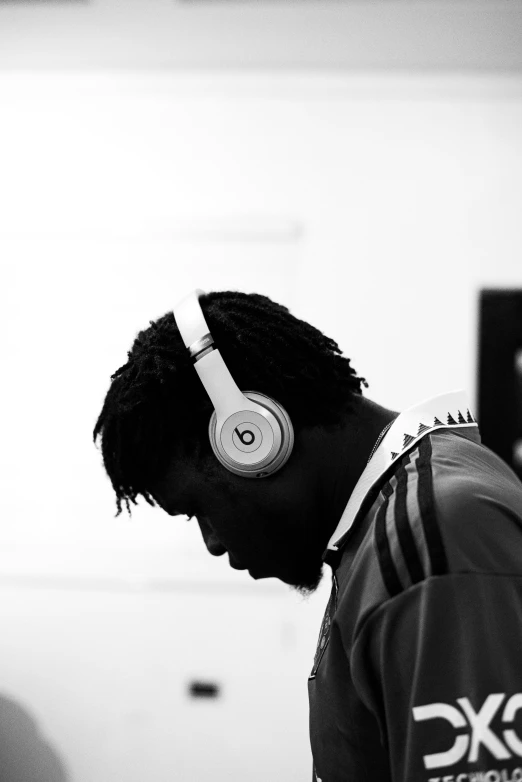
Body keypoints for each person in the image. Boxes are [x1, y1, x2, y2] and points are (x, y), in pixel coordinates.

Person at [93, 289, 522, 782]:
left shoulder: (436, 526)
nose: (212, 542)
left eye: (198, 511)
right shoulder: (390, 526)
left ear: (251, 438)